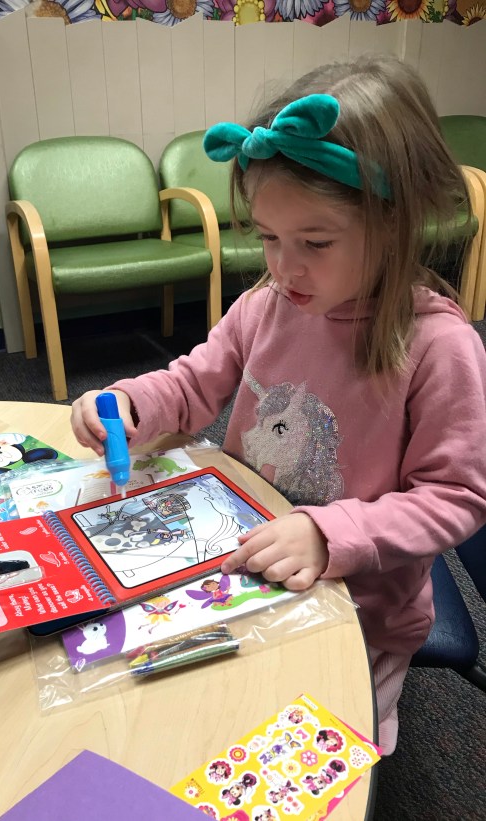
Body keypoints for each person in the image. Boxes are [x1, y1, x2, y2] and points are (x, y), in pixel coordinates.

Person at [71, 55, 486, 754]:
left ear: (396, 224)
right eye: (268, 237)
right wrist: (130, 401)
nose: (284, 267)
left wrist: (331, 533)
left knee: (319, 752)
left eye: (314, 242)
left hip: (360, 612)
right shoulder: (265, 306)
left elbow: (456, 496)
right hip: (242, 567)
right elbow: (191, 384)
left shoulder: (439, 347)